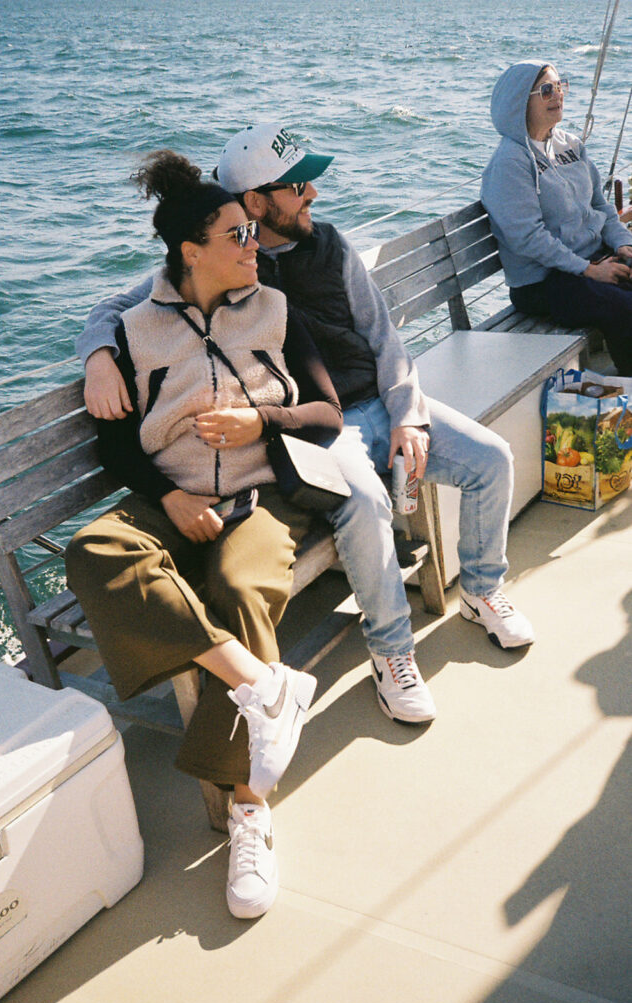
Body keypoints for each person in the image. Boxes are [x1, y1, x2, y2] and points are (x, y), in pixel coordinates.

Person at [77, 125, 535, 731]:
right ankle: (392, 653)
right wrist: (97, 356)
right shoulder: (231, 265)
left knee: (492, 457)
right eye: (297, 186)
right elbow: (125, 307)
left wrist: (408, 417)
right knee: (365, 500)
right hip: (317, 428)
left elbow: (384, 340)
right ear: (256, 202)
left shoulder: (331, 246)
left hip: (377, 405)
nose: (313, 195)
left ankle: (480, 590)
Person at [65, 150, 343, 920]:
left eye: (252, 232)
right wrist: (168, 496)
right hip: (171, 499)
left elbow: (327, 415)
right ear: (192, 250)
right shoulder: (134, 327)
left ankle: (249, 807)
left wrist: (262, 419)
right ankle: (263, 686)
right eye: (237, 235)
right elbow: (116, 445)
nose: (255, 245)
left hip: (258, 499)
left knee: (237, 586)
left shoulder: (275, 308)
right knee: (93, 551)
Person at [481, 60, 632, 375]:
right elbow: (528, 238)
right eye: (546, 90)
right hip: (543, 283)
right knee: (623, 309)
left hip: (591, 260)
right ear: (520, 102)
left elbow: (599, 205)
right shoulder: (510, 162)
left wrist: (622, 244)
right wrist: (588, 271)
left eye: (560, 85)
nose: (557, 95)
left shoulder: (570, 144)